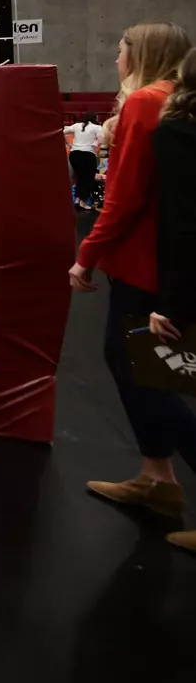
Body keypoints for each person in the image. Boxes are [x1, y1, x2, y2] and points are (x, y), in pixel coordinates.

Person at [72, 23, 195, 524]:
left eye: (120, 52)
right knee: (144, 367)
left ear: (140, 54)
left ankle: (161, 476)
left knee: (144, 371)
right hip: (158, 262)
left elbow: (125, 197)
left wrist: (87, 254)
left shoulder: (146, 101)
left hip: (146, 262)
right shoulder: (172, 100)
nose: (115, 60)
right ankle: (156, 477)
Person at [152, 49, 196, 554]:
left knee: (148, 372)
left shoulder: (175, 129)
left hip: (179, 279)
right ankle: (157, 476)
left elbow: (186, 222)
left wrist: (175, 301)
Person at [66, 114, 105, 209]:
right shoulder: (97, 127)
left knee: (80, 177)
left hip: (74, 154)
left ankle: (78, 200)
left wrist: (69, 144)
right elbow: (101, 138)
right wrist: (95, 144)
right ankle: (83, 202)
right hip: (88, 154)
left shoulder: (76, 125)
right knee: (87, 178)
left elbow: (61, 131)